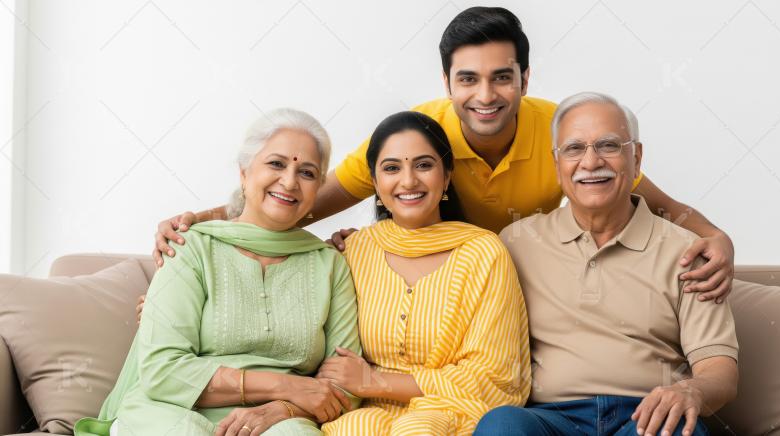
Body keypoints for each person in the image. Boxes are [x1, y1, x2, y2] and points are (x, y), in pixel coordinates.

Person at [152, 7, 735, 302]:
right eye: (469, 79)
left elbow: (659, 205)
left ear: (525, 78)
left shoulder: (564, 132)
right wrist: (207, 221)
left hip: (521, 285)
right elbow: (297, 204)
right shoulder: (415, 136)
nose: (486, 96)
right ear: (447, 80)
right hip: (438, 284)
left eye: (502, 77)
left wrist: (718, 238)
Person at [74, 109, 361, 436]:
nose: (290, 180)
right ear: (244, 173)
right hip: (171, 408)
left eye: (307, 172)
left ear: (318, 188)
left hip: (277, 418)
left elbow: (344, 384)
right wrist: (287, 386)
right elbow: (161, 371)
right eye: (276, 164)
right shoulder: (191, 246)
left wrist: (284, 407)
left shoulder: (329, 264)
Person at [474, 92, 739, 436]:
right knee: (501, 424)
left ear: (637, 158)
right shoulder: (515, 243)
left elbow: (720, 372)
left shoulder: (687, 252)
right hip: (550, 420)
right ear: (556, 165)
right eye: (573, 149)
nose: (590, 162)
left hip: (645, 418)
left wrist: (691, 390)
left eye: (609, 145)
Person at [312, 111, 531, 434]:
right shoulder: (354, 251)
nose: (408, 180)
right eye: (391, 168)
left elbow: (495, 374)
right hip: (363, 411)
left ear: (446, 177)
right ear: (374, 181)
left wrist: (375, 381)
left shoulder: (484, 252)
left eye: (424, 165)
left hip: (452, 410)